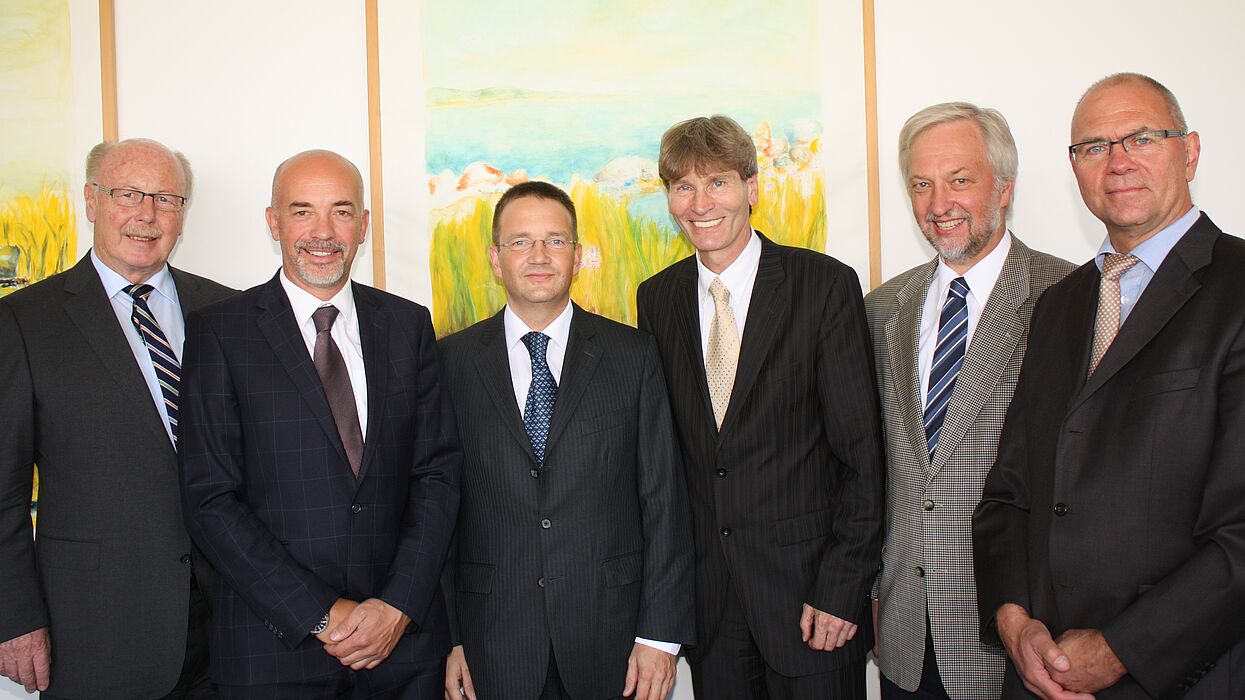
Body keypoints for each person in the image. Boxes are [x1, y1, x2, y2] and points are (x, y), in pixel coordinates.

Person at [974, 73, 1245, 699]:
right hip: (1041, 676)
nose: (1117, 161)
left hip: (1181, 676)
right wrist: (1014, 622)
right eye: (1093, 146)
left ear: (1191, 150)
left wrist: (1121, 650)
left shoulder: (1238, 290)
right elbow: (1007, 492)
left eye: (1141, 137)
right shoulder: (1060, 305)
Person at [178, 149, 461, 698]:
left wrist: (398, 604)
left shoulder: (407, 326)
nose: (323, 232)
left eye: (342, 211)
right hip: (272, 648)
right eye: (303, 211)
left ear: (363, 226)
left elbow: (437, 475)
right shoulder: (220, 334)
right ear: (274, 222)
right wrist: (319, 614)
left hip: (399, 651)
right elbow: (209, 498)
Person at [636, 114, 884, 698]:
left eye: (717, 182)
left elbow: (862, 456)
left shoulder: (822, 285)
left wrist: (843, 588)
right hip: (713, 615)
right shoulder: (657, 298)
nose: (701, 203)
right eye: (683, 186)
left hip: (812, 606)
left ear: (752, 188)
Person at [439, 181, 694, 700]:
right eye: (520, 241)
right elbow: (438, 510)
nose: (538, 255)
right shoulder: (450, 363)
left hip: (614, 640)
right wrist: (451, 637)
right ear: (495, 257)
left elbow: (665, 503)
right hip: (493, 641)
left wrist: (660, 637)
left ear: (577, 257)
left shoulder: (633, 356)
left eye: (556, 241)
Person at [0, 138, 233, 698]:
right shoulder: (25, 322)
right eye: (128, 194)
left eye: (166, 199)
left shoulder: (229, 312)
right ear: (91, 199)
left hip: (229, 626)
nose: (146, 215)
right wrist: (14, 618)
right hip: (98, 628)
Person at [865, 102, 1074, 699]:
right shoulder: (883, 308)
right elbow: (877, 472)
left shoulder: (1066, 296)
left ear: (1004, 187)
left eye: (960, 180)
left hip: (1021, 638)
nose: (939, 204)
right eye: (922, 185)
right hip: (906, 636)